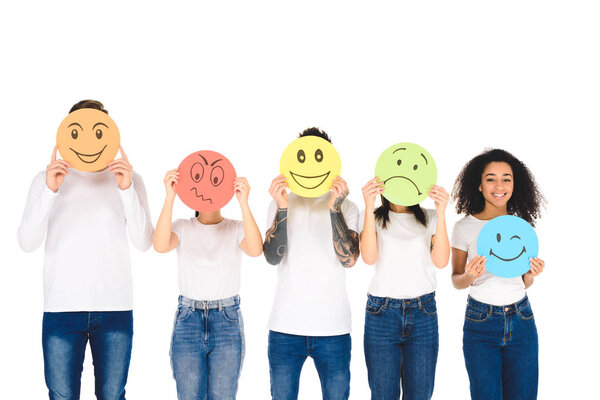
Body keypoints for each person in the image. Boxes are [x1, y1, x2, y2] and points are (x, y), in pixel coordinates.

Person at [17, 100, 153, 400]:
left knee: (113, 395)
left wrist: (127, 188)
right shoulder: (45, 179)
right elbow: (26, 242)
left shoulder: (130, 179)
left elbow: (144, 242)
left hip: (115, 308)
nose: (89, 141)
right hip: (61, 309)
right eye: (78, 132)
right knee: (62, 396)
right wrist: (51, 191)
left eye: (98, 132)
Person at [263, 127, 360, 400]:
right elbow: (271, 257)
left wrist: (334, 208)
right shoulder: (279, 204)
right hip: (285, 328)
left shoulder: (348, 207)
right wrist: (282, 208)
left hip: (334, 329)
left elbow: (349, 259)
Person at [153, 167, 263, 400]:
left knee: (223, 395)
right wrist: (170, 196)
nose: (207, 190)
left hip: (226, 318)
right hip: (188, 318)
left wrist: (244, 203)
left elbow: (255, 250)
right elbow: (161, 245)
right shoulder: (183, 227)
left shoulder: (235, 228)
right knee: (189, 395)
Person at [450, 148, 545, 400]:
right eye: (490, 178)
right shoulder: (464, 227)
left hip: (521, 318)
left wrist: (532, 275)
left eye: (506, 178)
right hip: (480, 322)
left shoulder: (522, 226)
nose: (499, 185)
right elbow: (456, 280)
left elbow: (522, 281)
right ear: (479, 185)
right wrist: (470, 276)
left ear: (515, 185)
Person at [360, 176, 450, 400]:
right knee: (382, 394)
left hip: (423, 312)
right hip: (381, 312)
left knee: (420, 394)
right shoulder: (375, 218)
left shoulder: (429, 217)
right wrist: (368, 205)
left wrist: (441, 212)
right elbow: (369, 258)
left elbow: (441, 261)